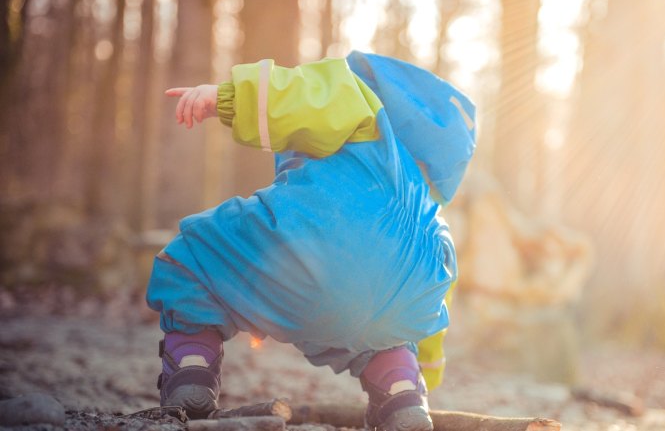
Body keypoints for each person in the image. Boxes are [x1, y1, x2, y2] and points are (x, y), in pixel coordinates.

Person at [146, 51, 477, 431]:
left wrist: (225, 98)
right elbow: (434, 310)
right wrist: (426, 373)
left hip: (312, 254)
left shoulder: (364, 108)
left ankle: (192, 368)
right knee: (391, 334)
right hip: (394, 309)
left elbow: (304, 95)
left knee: (194, 258)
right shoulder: (433, 220)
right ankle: (402, 391)